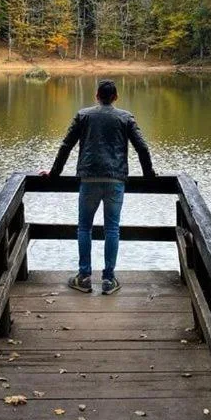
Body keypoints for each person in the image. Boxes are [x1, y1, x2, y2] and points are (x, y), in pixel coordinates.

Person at [41, 79, 156, 295]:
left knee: (84, 228)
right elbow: (142, 147)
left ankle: (84, 277)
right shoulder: (125, 118)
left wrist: (54, 173)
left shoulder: (83, 116)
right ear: (115, 97)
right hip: (115, 180)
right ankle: (108, 280)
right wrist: (149, 175)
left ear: (97, 96)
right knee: (112, 229)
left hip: (89, 179)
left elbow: (66, 145)